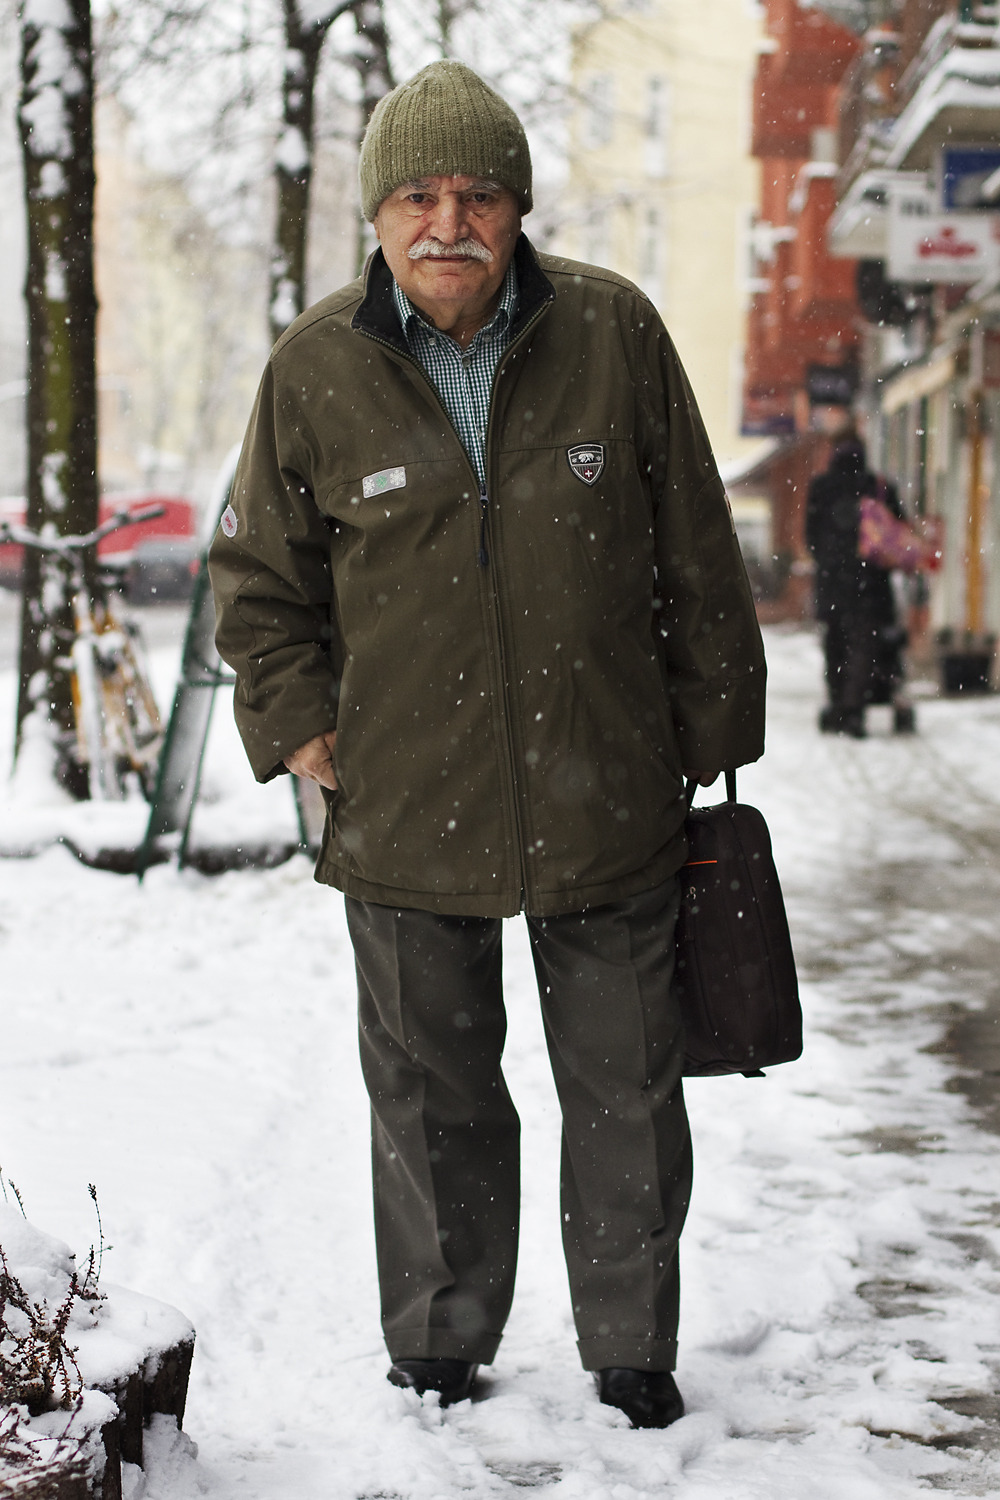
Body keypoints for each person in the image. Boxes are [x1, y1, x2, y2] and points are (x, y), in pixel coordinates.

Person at [210, 60, 765, 1429]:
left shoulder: (615, 332)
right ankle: (444, 1337)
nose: (448, 220)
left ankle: (631, 1346)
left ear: (517, 208)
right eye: (419, 194)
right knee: (430, 1093)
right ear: (378, 212)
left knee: (627, 1088)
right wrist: (306, 731)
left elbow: (696, 544)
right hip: (404, 803)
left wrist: (707, 730)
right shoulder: (316, 366)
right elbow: (257, 583)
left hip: (610, 787)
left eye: (479, 194)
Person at [805, 433, 914, 739]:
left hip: (832, 586)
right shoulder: (878, 486)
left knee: (835, 645)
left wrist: (830, 561)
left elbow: (810, 538)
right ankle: (854, 709)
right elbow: (897, 535)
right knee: (863, 647)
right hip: (871, 587)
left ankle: (839, 704)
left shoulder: (821, 488)